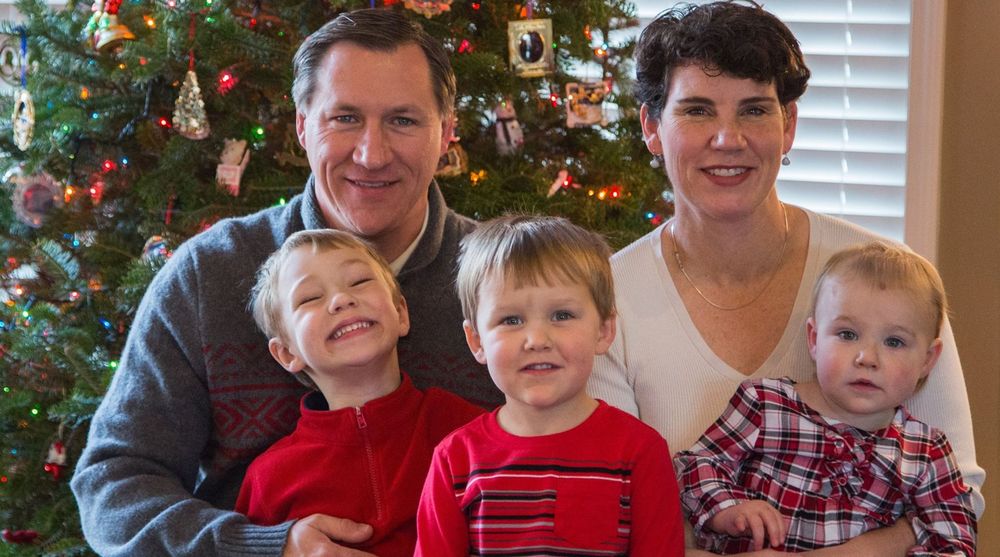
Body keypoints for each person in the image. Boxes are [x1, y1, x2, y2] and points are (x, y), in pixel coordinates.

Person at [71, 9, 502, 557]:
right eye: (344, 118)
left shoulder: (503, 276)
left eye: (403, 121)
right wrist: (265, 547)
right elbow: (116, 484)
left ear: (447, 133)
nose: (371, 155)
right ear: (302, 126)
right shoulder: (211, 273)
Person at [586, 2, 984, 555]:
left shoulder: (890, 279)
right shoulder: (603, 302)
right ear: (652, 127)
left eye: (754, 111)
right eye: (698, 111)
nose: (728, 139)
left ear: (789, 125)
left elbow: (959, 495)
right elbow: (615, 510)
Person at [674, 242, 976, 555]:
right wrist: (728, 509)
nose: (866, 358)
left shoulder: (925, 452)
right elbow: (696, 464)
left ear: (928, 360)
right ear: (815, 339)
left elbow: (954, 543)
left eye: (894, 342)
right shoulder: (765, 405)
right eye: (847, 334)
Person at [415, 215, 685, 556]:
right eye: (511, 320)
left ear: (604, 330)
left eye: (561, 315)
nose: (537, 340)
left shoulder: (641, 453)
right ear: (476, 340)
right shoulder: (454, 460)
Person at [235, 229, 484, 555]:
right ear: (286, 354)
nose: (342, 299)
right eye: (310, 298)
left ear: (401, 313)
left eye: (359, 282)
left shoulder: (468, 430)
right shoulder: (268, 478)